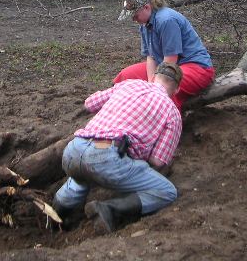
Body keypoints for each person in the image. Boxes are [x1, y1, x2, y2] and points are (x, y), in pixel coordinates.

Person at [52, 62, 183, 233]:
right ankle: (109, 209)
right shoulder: (172, 113)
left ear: (152, 77)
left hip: (73, 150)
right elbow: (157, 161)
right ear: (177, 90)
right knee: (167, 191)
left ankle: (54, 218)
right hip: (107, 157)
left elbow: (89, 103)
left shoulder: (128, 84)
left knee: (80, 178)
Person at [114, 0, 215, 110]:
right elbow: (151, 57)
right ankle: (117, 113)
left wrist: (155, 85)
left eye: (134, 15)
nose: (133, 19)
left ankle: (165, 122)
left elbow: (170, 61)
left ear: (146, 7)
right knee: (126, 76)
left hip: (196, 68)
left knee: (164, 86)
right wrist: (151, 81)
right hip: (166, 66)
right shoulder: (144, 23)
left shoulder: (166, 20)